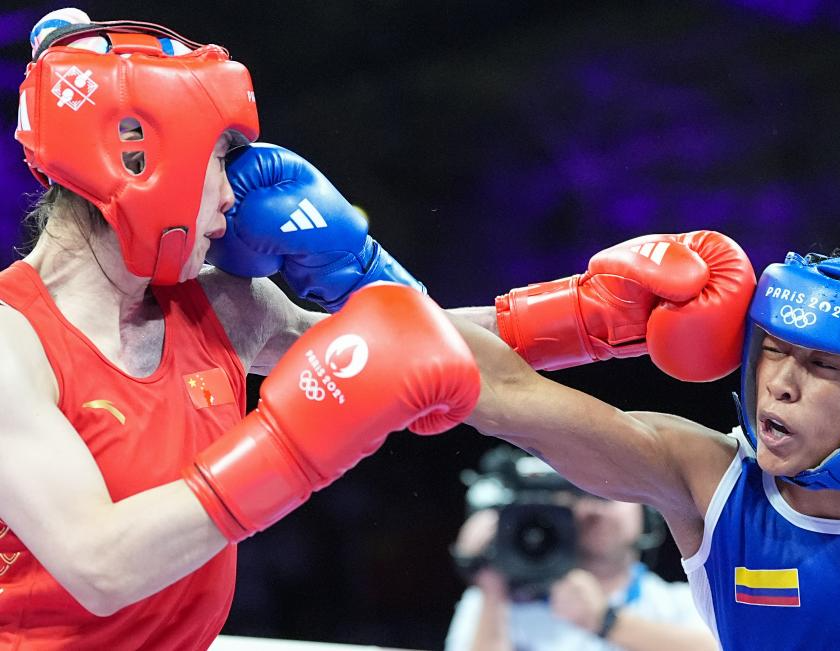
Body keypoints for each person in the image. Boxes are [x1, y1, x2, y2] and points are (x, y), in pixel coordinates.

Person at [0, 9, 480, 649]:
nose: (234, 195)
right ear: (136, 158)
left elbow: (408, 345)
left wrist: (577, 318)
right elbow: (100, 565)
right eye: (221, 159)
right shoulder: (10, 344)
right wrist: (295, 447)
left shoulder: (223, 306)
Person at [439, 233, 840, 649]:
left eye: (821, 365)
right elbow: (501, 393)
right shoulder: (707, 482)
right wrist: (572, 320)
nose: (779, 384)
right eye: (773, 350)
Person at [444, 446, 715, 651]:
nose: (597, 507)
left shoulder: (684, 602)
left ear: (647, 514)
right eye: (580, 493)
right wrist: (492, 584)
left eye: (614, 494)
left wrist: (606, 622)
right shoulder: (492, 601)